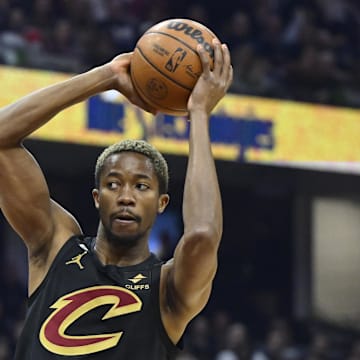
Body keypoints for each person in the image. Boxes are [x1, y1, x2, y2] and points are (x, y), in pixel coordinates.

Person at [0, 38, 233, 359]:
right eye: (113, 184)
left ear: (161, 204)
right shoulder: (55, 247)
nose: (126, 196)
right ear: (97, 197)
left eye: (141, 186)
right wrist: (105, 76)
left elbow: (203, 235)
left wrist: (199, 115)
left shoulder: (167, 288)